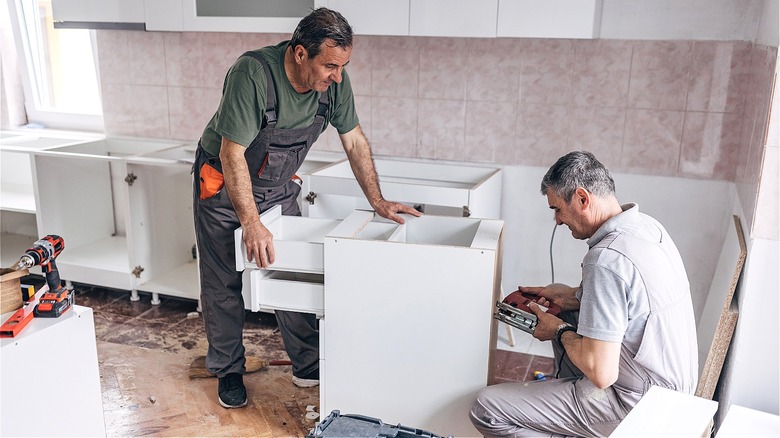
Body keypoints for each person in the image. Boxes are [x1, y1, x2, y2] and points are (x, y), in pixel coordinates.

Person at [192, 7, 421, 409]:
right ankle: (228, 369)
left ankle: (307, 364)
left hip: (277, 189)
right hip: (225, 189)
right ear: (300, 54)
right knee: (223, 283)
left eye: (343, 65)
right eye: (330, 65)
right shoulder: (254, 75)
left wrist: (377, 200)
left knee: (294, 272)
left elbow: (354, 140)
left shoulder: (333, 83)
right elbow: (232, 153)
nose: (337, 75)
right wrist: (251, 223)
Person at [470, 151, 698, 436]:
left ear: (582, 198)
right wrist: (572, 296)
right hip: (673, 391)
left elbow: (602, 373)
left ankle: (577, 422)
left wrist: (558, 330)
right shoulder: (647, 228)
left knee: (486, 408)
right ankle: (570, 414)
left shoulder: (606, 259)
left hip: (641, 409)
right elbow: (634, 301)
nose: (557, 220)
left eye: (557, 209)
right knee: (567, 310)